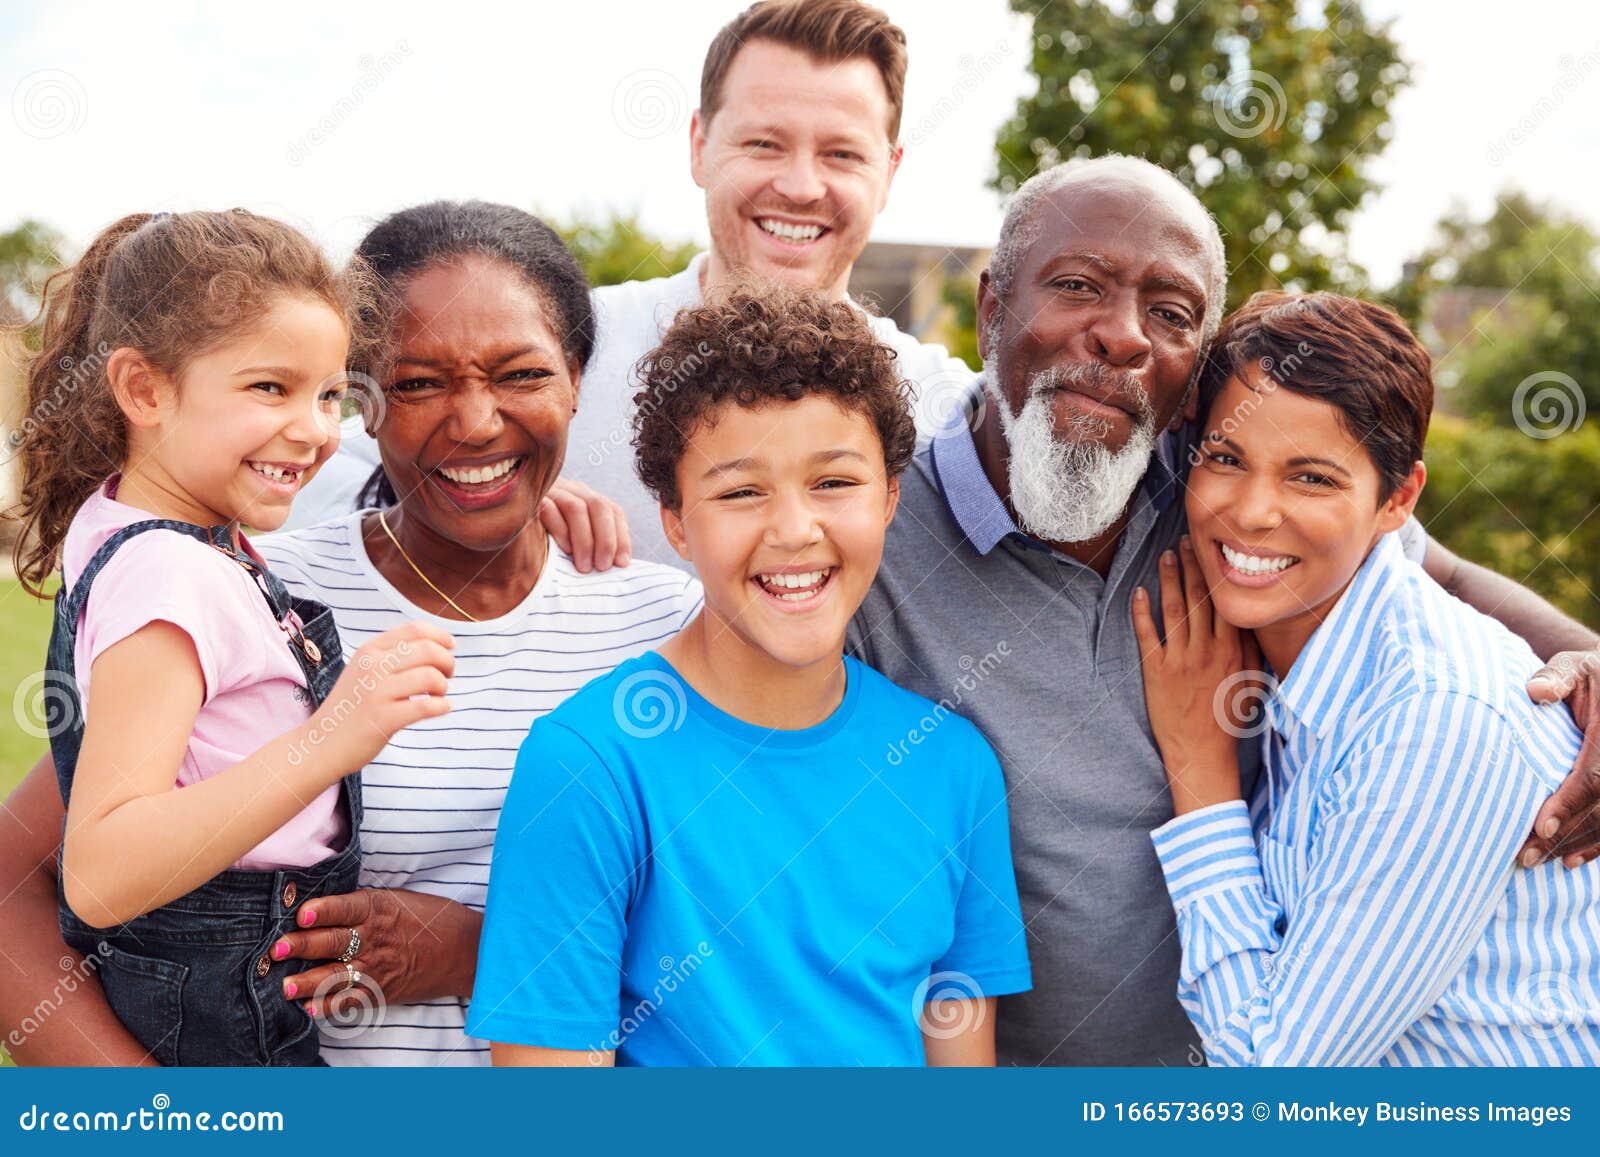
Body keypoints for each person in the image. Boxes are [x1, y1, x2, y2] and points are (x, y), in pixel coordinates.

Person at [848, 154, 1600, 1065]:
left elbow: (1441, 575)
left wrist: (1589, 664)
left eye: (1170, 314)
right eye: (1078, 284)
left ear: (1194, 370)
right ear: (992, 308)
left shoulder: (1220, 491)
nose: (1122, 336)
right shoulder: (873, 534)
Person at [0, 202, 703, 1066]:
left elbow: (736, 931)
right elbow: (21, 878)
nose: (477, 422)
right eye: (415, 383)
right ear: (367, 403)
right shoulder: (258, 589)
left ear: (576, 378)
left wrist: (468, 949)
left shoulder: (666, 623)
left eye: (521, 374)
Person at [468, 284, 1031, 1066]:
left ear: (891, 498)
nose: (795, 531)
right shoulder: (588, 764)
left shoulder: (953, 764)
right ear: (674, 521)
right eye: (740, 492)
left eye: (834, 482)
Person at [288, 0, 979, 567]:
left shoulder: (943, 411)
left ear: (889, 172)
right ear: (699, 146)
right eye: (763, 143)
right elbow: (328, 473)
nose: (800, 185)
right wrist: (500, 500)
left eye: (842, 154)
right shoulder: (557, 347)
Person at [5, 209, 453, 1065]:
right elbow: (100, 870)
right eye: (268, 389)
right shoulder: (170, 574)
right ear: (143, 390)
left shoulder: (154, 524)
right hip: (218, 1020)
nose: (317, 428)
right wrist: (334, 735)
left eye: (329, 393)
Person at [1137, 291, 1600, 1064]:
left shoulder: (1434, 718)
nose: (1250, 512)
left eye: (1311, 478)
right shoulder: (1314, 656)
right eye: (1225, 458)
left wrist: (1201, 771)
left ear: (1398, 501)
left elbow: (1273, 1091)